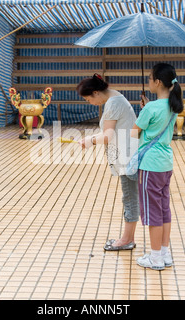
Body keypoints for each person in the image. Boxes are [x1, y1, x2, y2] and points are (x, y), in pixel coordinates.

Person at [77, 74, 139, 251]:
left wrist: (89, 141)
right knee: (130, 196)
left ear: (96, 93)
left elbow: (108, 135)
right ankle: (128, 237)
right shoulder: (116, 98)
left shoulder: (113, 104)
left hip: (126, 157)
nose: (90, 103)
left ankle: (127, 239)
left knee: (129, 197)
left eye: (89, 99)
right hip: (128, 154)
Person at [131, 63, 183, 270]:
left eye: (150, 78)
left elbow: (134, 133)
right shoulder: (172, 106)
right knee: (163, 209)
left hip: (149, 166)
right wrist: (147, 108)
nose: (149, 81)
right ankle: (164, 253)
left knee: (152, 212)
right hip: (165, 164)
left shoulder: (151, 108)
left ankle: (155, 258)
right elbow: (157, 120)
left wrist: (144, 111)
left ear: (158, 82)